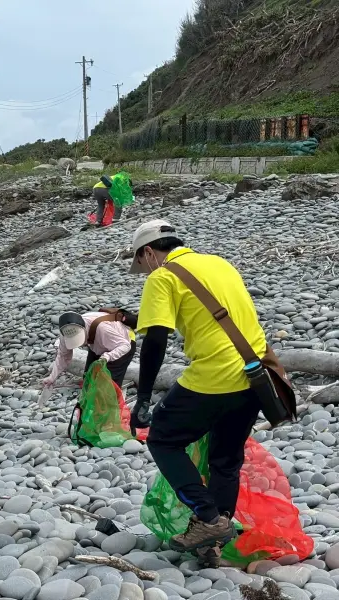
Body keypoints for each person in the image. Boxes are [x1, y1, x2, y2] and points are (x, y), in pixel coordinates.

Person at [129, 219, 267, 562]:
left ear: (149, 252)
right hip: (255, 373)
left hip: (215, 374)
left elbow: (156, 339)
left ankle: (207, 518)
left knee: (162, 438)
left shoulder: (163, 276)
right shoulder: (220, 263)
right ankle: (213, 542)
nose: (144, 270)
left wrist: (143, 398)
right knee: (225, 459)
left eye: (142, 263)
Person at [42, 310, 137, 390]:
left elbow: (125, 346)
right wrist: (52, 377)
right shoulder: (65, 333)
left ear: (84, 329)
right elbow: (63, 356)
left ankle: (109, 408)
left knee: (108, 385)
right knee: (88, 379)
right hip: (97, 343)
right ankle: (89, 408)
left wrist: (107, 357)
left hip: (123, 342)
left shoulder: (102, 328)